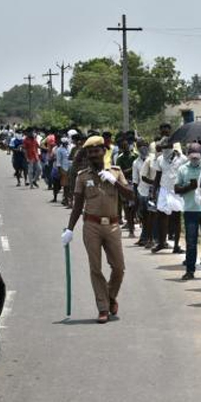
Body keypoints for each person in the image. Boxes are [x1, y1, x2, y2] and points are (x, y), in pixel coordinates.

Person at [62, 136, 135, 324]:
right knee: (95, 268)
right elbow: (78, 205)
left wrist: (114, 182)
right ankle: (102, 308)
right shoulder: (82, 176)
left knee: (119, 267)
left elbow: (130, 195)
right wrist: (70, 229)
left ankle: (110, 296)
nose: (94, 155)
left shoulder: (116, 172)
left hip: (112, 225)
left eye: (97, 151)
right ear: (87, 154)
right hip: (91, 225)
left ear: (104, 151)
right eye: (90, 152)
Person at [175, 143, 201, 280]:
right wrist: (190, 186)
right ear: (188, 155)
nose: (195, 159)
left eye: (197, 156)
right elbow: (177, 189)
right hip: (190, 210)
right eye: (192, 156)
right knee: (191, 242)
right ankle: (190, 270)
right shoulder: (183, 169)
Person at [152, 138, 187, 253]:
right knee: (161, 216)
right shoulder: (160, 159)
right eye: (163, 148)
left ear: (172, 147)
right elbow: (158, 176)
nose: (165, 150)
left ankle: (176, 245)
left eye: (167, 147)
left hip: (176, 191)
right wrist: (154, 191)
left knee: (176, 217)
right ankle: (161, 243)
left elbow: (186, 174)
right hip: (164, 190)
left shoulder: (182, 159)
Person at [116, 137, 138, 238]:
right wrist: (131, 169)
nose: (126, 148)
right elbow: (120, 173)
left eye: (127, 146)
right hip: (124, 183)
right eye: (123, 147)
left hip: (135, 183)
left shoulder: (135, 156)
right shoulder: (119, 158)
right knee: (126, 207)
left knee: (134, 207)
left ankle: (132, 223)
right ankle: (131, 229)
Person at [133, 139, 151, 246]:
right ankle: (144, 237)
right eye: (139, 146)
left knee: (151, 216)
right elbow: (135, 181)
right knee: (143, 216)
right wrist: (135, 196)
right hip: (141, 192)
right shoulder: (136, 162)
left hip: (152, 191)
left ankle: (150, 238)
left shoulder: (154, 159)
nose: (142, 148)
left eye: (144, 145)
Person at [55, 136, 71, 205]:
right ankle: (65, 198)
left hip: (70, 168)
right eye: (64, 143)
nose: (66, 144)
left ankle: (67, 198)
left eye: (66, 143)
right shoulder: (59, 150)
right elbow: (58, 161)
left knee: (70, 185)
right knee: (65, 185)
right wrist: (60, 171)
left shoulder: (70, 148)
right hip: (64, 168)